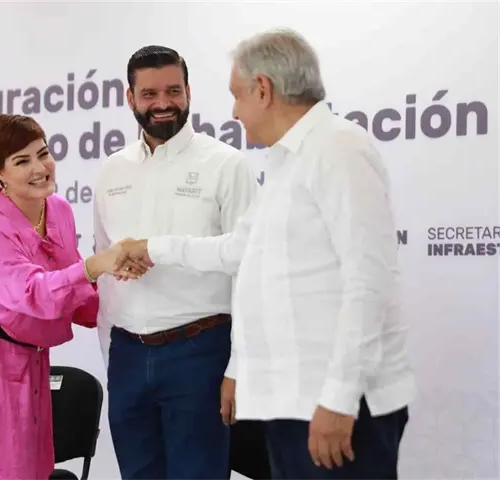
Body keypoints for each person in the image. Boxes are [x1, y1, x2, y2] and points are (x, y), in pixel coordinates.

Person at [113, 29, 416, 480]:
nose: (234, 112)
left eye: (237, 95)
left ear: (263, 89)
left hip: (338, 403)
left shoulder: (338, 149)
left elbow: (369, 283)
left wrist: (339, 398)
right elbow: (239, 248)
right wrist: (151, 247)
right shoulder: (286, 160)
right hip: (294, 400)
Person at [0, 114, 143, 480]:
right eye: (22, 161)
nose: (40, 168)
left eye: (43, 154)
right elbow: (32, 293)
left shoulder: (58, 209)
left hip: (30, 355)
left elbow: (75, 293)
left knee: (28, 467)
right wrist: (96, 266)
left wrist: (123, 289)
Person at [93, 45, 258, 480]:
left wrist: (238, 367)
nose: (163, 103)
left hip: (200, 353)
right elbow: (105, 271)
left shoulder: (227, 165)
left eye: (173, 91)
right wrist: (112, 354)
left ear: (189, 92)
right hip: (127, 356)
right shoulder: (111, 171)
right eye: (149, 94)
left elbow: (250, 272)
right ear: (130, 98)